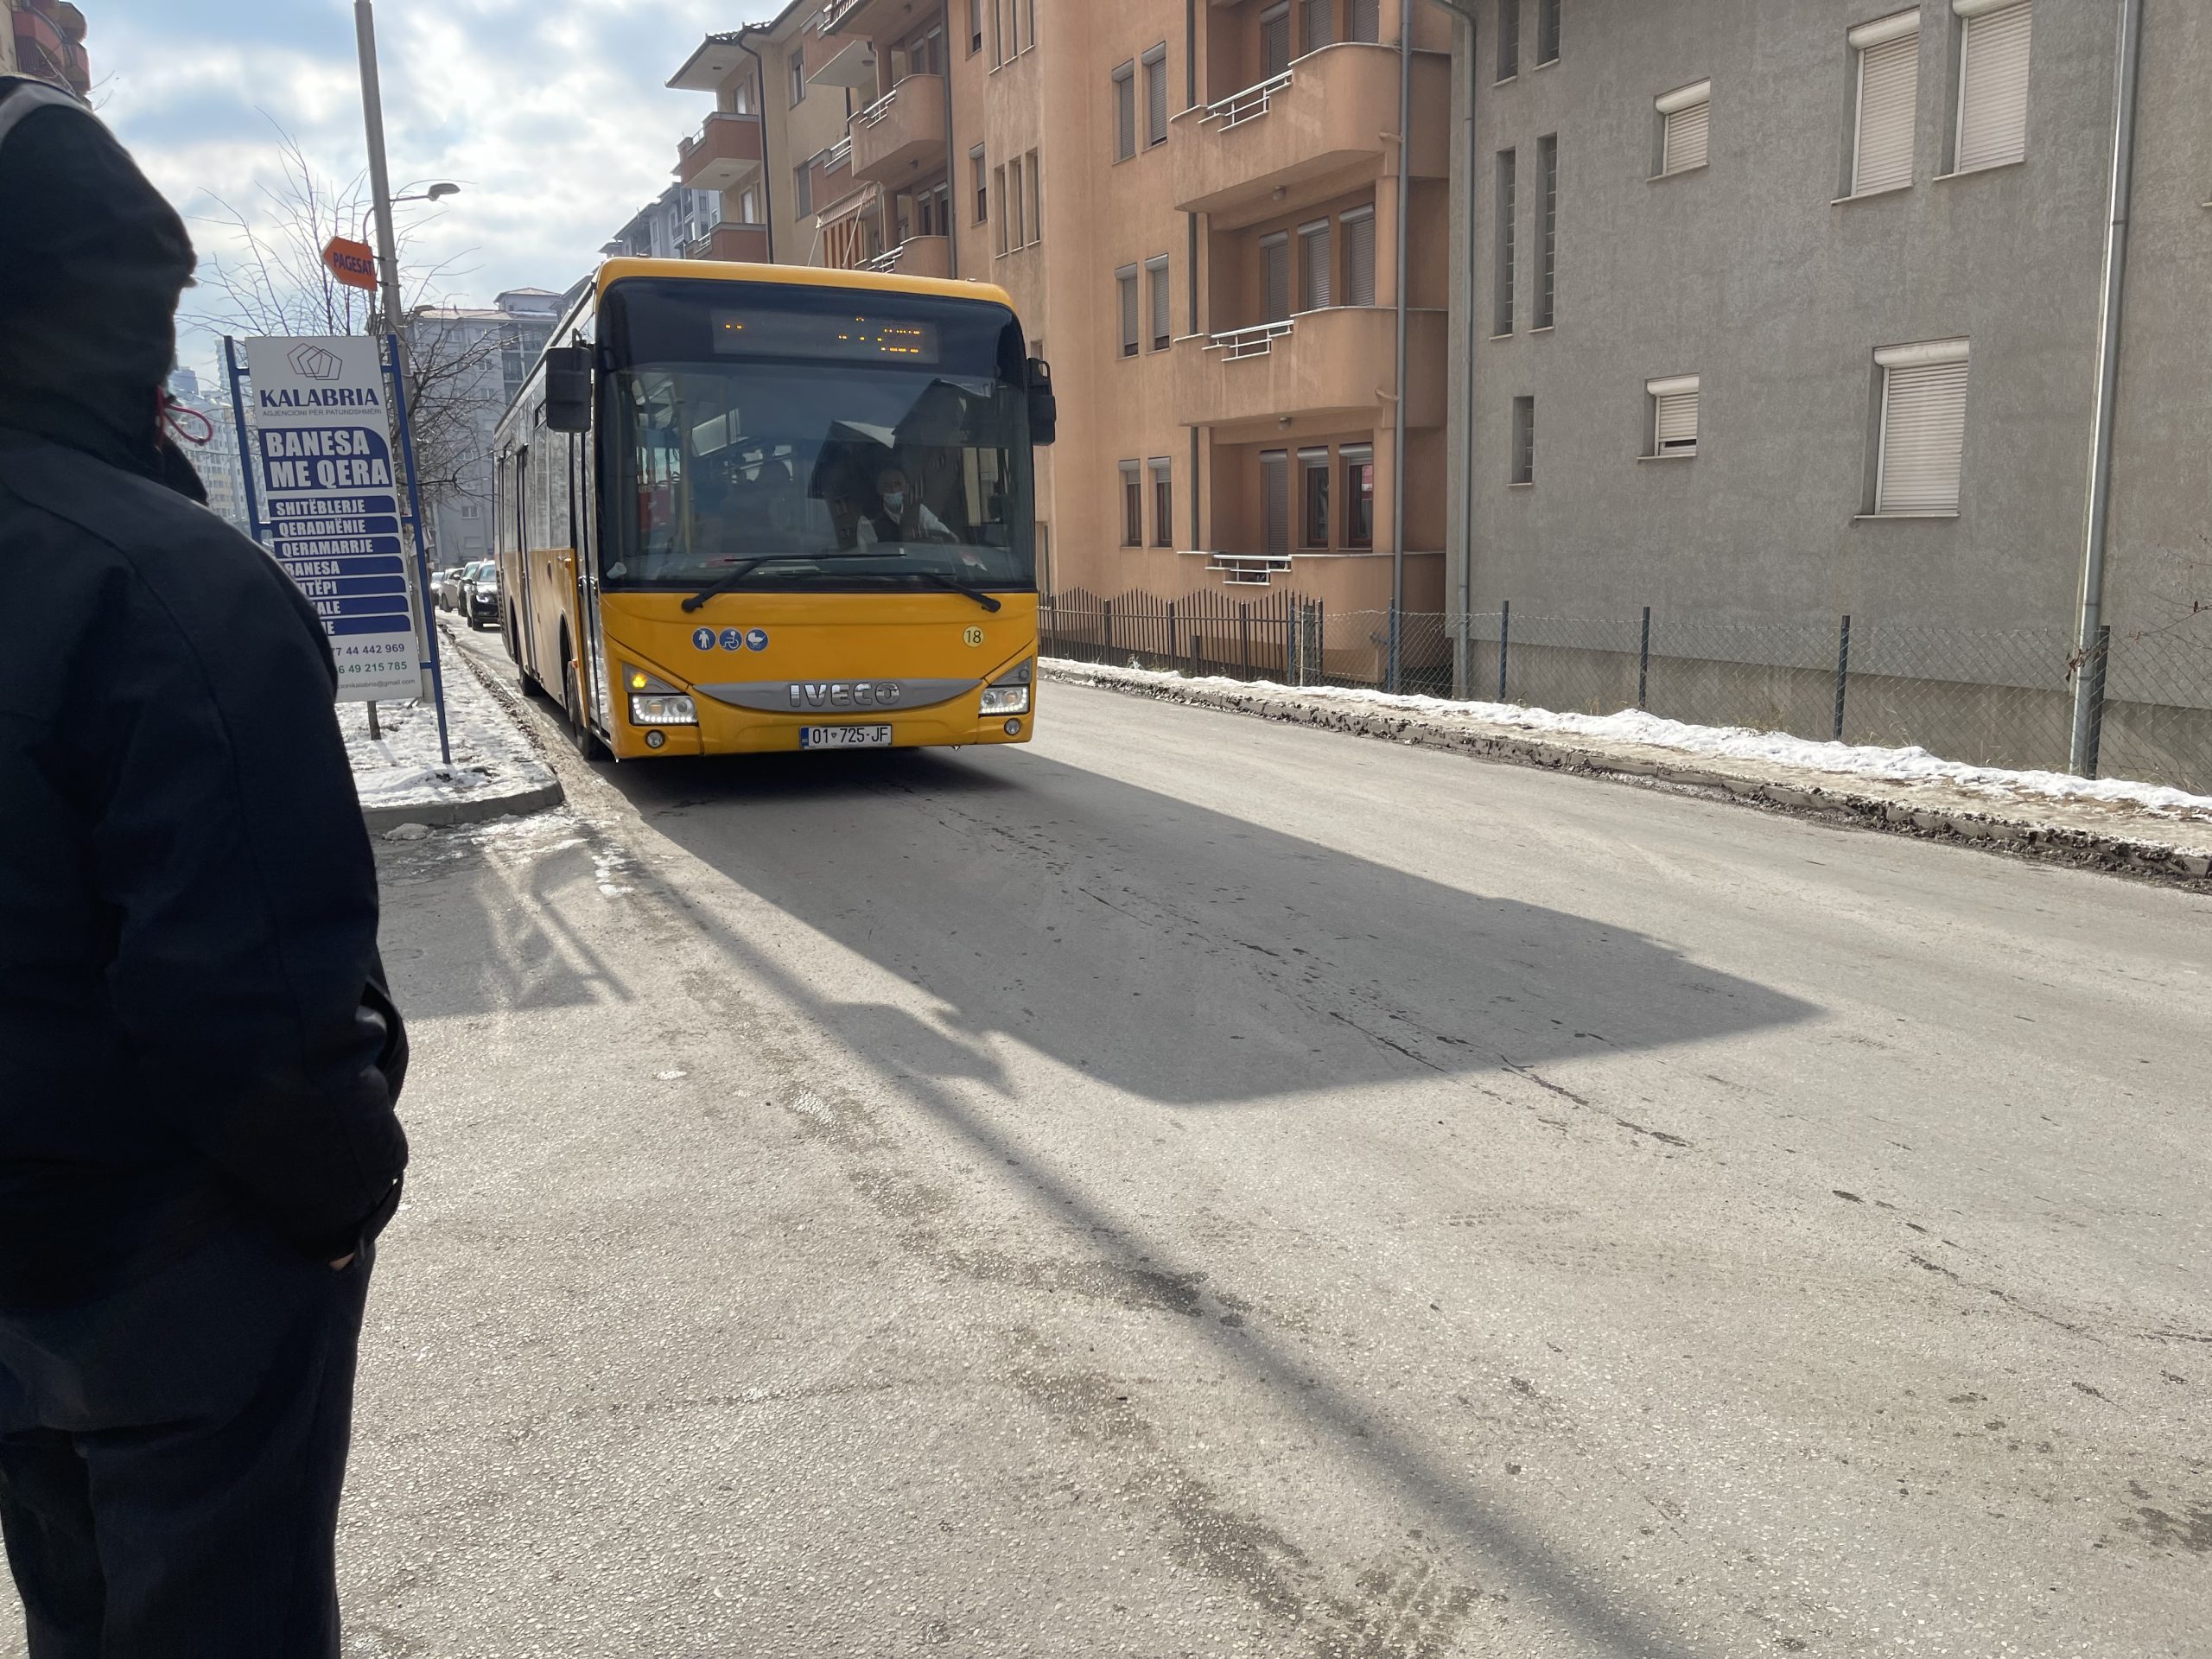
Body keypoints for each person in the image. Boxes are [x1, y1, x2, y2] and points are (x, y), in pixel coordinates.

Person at [0, 79, 409, 1656]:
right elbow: (242, 997)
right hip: (180, 1277)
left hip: (18, 1276)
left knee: (79, 1614)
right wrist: (340, 1194)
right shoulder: (172, 583)